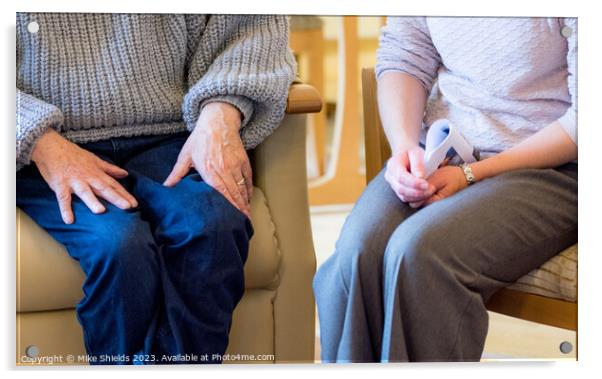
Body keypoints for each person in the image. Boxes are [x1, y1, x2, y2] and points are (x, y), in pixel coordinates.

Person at [16, 13, 296, 364]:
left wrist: (220, 112)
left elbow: (252, 27)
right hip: (44, 149)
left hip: (172, 134)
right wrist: (35, 137)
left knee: (213, 227)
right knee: (118, 247)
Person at [313, 17, 577, 362]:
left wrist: (472, 173)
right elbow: (404, 56)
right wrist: (405, 149)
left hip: (553, 167)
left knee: (420, 253)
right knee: (358, 250)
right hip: (442, 152)